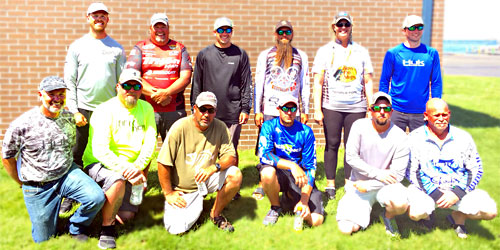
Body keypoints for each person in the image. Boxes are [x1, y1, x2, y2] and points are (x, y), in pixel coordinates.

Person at [1, 76, 105, 243]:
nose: (57, 99)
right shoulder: (22, 124)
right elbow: (7, 156)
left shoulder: (69, 118)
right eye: (51, 94)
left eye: (61, 94)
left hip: (66, 173)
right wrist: (20, 182)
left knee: (96, 197)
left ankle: (76, 227)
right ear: (40, 95)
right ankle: (50, 218)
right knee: (44, 240)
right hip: (38, 185)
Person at [82, 69, 157, 249]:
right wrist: (126, 170)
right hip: (100, 163)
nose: (131, 89)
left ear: (141, 89)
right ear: (118, 87)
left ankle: (109, 201)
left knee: (126, 217)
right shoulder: (104, 110)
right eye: (126, 85)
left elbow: (150, 141)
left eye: (136, 85)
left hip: (131, 167)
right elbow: (101, 150)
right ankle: (106, 229)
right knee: (117, 181)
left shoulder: (146, 108)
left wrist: (137, 167)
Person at [62, 2, 125, 214]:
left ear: (108, 19)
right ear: (88, 18)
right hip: (83, 110)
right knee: (77, 153)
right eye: (95, 15)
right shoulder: (77, 47)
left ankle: (106, 191)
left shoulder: (116, 48)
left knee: (107, 151)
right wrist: (75, 110)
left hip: (108, 111)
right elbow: (69, 82)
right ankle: (70, 194)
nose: (99, 19)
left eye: (103, 15)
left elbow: (121, 82)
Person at [406, 98, 497, 238]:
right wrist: (436, 194)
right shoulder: (414, 138)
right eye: (436, 115)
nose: (441, 118)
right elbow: (412, 171)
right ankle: (428, 216)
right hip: (427, 190)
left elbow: (475, 169)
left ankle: (457, 217)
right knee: (415, 213)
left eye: (445, 114)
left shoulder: (463, 137)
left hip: (456, 187)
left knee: (490, 212)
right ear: (426, 116)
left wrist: (457, 193)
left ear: (449, 114)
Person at [157, 92, 242, 234]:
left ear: (215, 112)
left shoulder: (220, 127)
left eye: (211, 110)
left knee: (235, 174)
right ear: (194, 109)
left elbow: (231, 157)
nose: (206, 114)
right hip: (183, 189)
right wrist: (168, 192)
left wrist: (214, 168)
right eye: (202, 109)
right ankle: (193, 204)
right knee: (176, 229)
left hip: (207, 180)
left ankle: (215, 214)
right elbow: (163, 163)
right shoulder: (180, 127)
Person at [312, 11, 374, 200]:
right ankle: (330, 183)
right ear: (334, 28)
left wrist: (371, 107)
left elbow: (368, 81)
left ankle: (348, 182)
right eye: (340, 25)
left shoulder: (361, 52)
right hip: (332, 106)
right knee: (332, 144)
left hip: (356, 106)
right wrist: (317, 108)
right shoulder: (325, 51)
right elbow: (318, 81)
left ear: (351, 27)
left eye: (346, 25)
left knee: (352, 146)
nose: (343, 28)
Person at [337, 92, 409, 236]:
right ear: (371, 110)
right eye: (378, 108)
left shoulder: (400, 136)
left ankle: (387, 216)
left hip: (386, 185)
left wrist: (370, 184)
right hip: (359, 183)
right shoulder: (358, 126)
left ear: (391, 112)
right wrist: (378, 174)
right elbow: (351, 157)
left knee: (401, 204)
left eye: (386, 109)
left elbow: (398, 175)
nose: (382, 112)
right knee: (346, 229)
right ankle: (362, 211)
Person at [253, 20, 310, 200]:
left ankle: (291, 181)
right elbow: (259, 83)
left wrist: (305, 109)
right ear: (275, 35)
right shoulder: (266, 55)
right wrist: (257, 109)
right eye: (280, 32)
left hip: (292, 110)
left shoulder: (301, 56)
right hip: (271, 107)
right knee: (267, 147)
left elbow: (305, 84)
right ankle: (264, 182)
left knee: (291, 146)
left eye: (287, 32)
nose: (284, 36)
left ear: (292, 35)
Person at [191, 16, 252, 158]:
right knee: (207, 151)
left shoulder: (240, 54)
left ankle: (231, 180)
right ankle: (209, 179)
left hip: (232, 113)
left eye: (228, 29)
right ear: (214, 32)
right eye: (221, 30)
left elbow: (246, 83)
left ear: (232, 31)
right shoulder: (204, 55)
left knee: (230, 152)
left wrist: (245, 109)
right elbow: (197, 83)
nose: (225, 33)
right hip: (208, 112)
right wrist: (195, 107)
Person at [258, 96, 324, 227]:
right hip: (279, 171)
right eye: (285, 108)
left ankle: (292, 200)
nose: (289, 112)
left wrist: (304, 202)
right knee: (267, 172)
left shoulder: (306, 131)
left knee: (317, 221)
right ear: (278, 109)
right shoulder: (269, 126)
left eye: (293, 109)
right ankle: (275, 207)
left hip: (299, 176)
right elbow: (265, 155)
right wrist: (292, 165)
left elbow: (311, 168)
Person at [126, 13, 193, 141]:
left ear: (168, 28)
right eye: (156, 27)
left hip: (174, 110)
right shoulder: (140, 48)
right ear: (150, 29)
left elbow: (186, 77)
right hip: (145, 109)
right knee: (141, 150)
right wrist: (157, 96)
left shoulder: (180, 48)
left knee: (175, 151)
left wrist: (166, 93)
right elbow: (131, 76)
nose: (160, 30)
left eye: (163, 27)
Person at [379, 15, 443, 132]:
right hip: (396, 110)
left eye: (420, 27)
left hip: (421, 111)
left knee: (420, 148)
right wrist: (382, 106)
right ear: (404, 30)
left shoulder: (431, 53)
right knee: (393, 146)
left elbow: (436, 82)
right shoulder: (393, 53)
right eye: (412, 28)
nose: (416, 31)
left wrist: (436, 106)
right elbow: (384, 80)